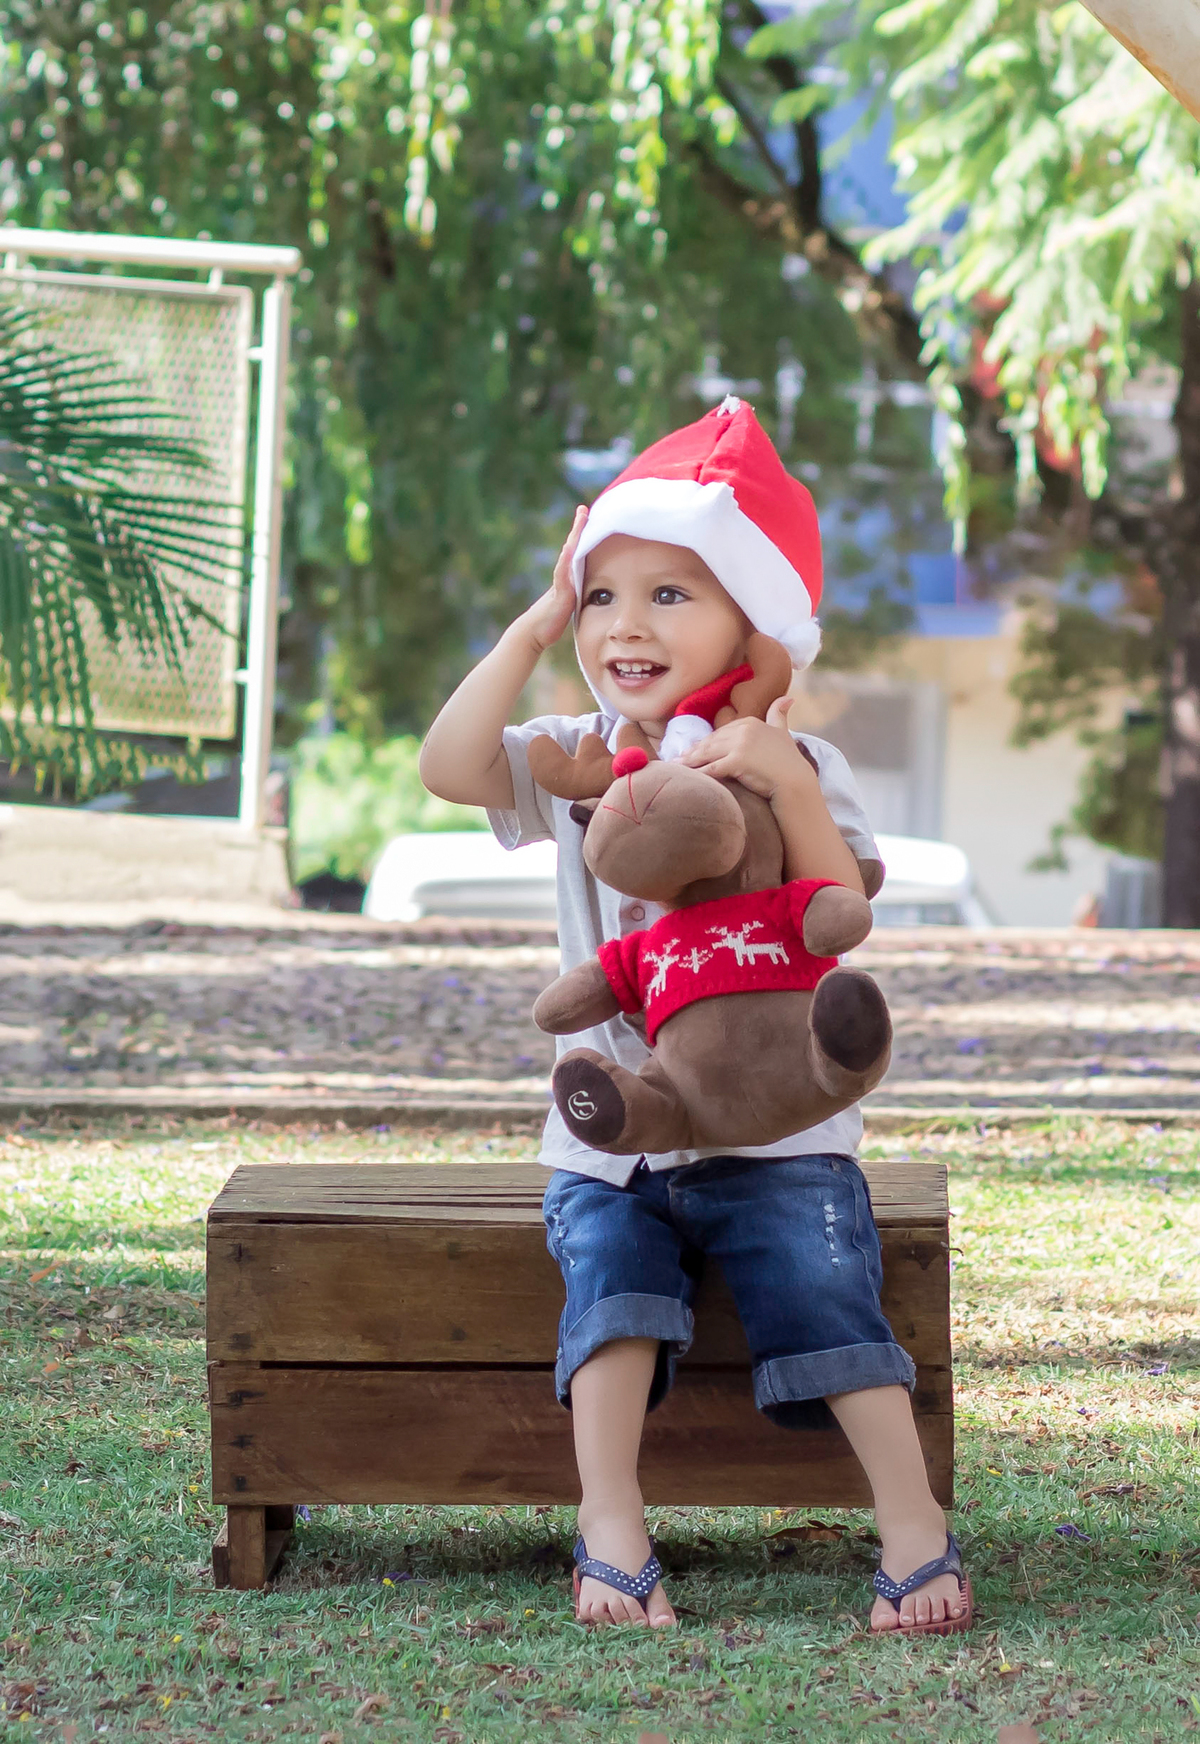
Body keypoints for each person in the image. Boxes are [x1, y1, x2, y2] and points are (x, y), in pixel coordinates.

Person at [420, 398, 972, 1637]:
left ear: (753, 625)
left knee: (829, 1290)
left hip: (779, 1136)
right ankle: (611, 1522)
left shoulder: (795, 763)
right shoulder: (573, 754)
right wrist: (529, 626)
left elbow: (844, 907)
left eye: (671, 594)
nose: (627, 623)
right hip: (613, 1133)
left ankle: (913, 1525)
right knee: (611, 1289)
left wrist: (781, 778)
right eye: (603, 594)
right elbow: (452, 766)